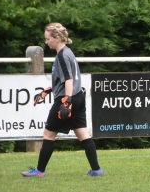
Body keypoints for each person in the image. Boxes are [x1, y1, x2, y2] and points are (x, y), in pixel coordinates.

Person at [21, 23, 103, 177]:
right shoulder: (68, 53)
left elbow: (69, 80)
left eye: (48, 39)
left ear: (57, 38)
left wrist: (67, 102)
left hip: (68, 98)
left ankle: (40, 171)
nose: (46, 42)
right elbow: (62, 80)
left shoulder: (62, 56)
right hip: (78, 96)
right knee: (83, 134)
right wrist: (46, 91)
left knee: (48, 135)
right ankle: (96, 169)